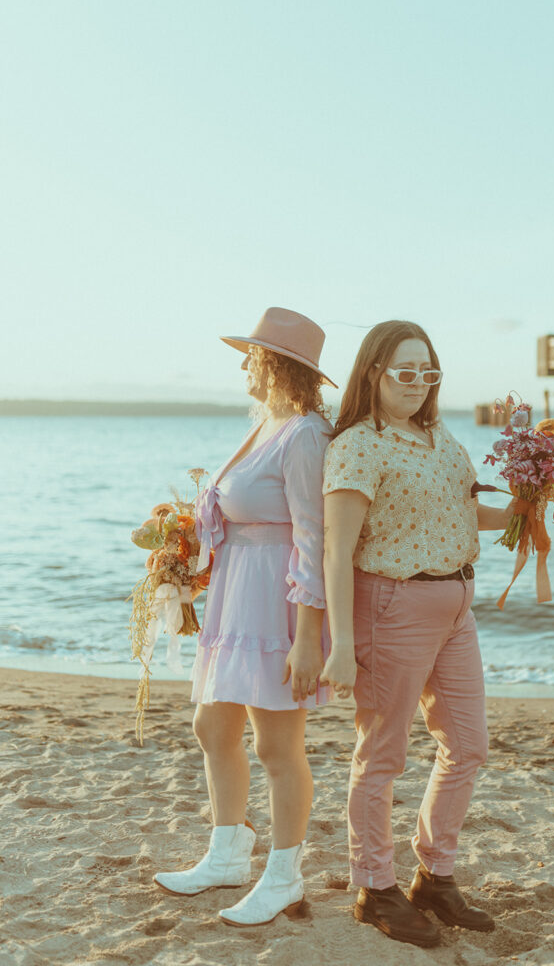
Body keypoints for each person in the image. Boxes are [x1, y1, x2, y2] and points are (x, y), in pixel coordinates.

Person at [320, 320, 514, 948]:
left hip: (457, 604)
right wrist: (342, 646)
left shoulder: (438, 436)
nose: (418, 383)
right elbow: (336, 550)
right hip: (391, 606)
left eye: (428, 372)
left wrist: (532, 506)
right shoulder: (355, 445)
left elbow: (463, 513)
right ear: (373, 372)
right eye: (405, 371)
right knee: (383, 755)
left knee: (469, 745)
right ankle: (373, 887)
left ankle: (435, 876)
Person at [154, 307, 336, 927]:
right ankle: (228, 851)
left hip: (276, 605)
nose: (242, 364)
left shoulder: (306, 433)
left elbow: (314, 538)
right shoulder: (265, 423)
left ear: (276, 364)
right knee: (212, 726)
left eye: (250, 353)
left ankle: (284, 874)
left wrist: (308, 638)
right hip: (236, 597)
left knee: (277, 745)